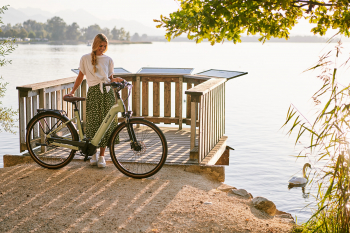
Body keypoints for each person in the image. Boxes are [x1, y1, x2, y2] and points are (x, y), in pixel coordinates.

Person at [64, 33, 123, 168]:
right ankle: (94, 153)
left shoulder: (109, 60)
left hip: (107, 94)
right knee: (94, 123)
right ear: (95, 44)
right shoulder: (85, 58)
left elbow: (110, 78)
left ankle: (102, 155)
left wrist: (117, 80)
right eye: (100, 45)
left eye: (104, 46)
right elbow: (80, 77)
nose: (102, 48)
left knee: (106, 124)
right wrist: (72, 91)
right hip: (94, 93)